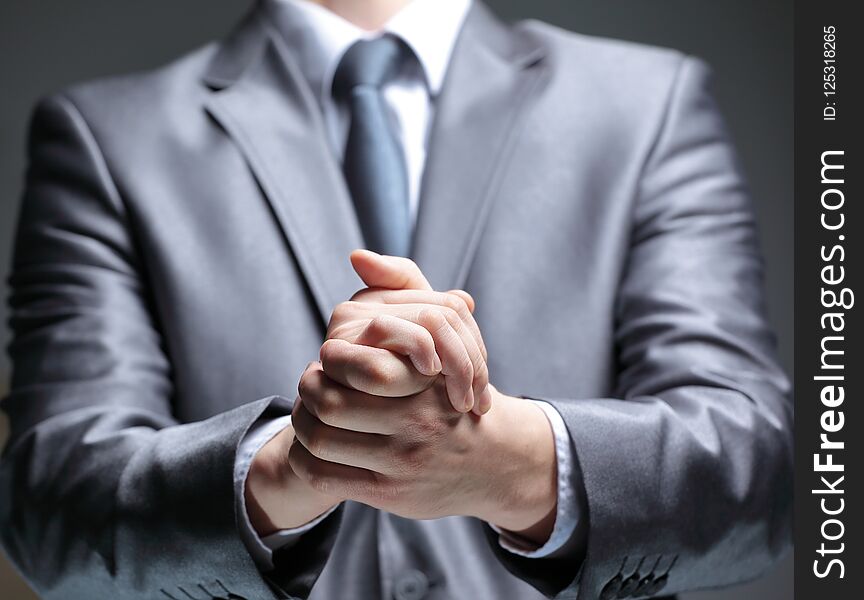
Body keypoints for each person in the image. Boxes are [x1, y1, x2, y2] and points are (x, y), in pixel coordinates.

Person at [0, 0, 793, 599]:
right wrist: (277, 470)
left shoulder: (648, 103)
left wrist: (519, 465)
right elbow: (50, 499)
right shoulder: (107, 135)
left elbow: (764, 466)